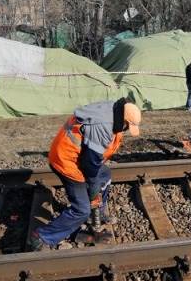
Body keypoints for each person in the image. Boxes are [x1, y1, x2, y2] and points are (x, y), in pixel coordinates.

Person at [29, 98, 141, 250]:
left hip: (78, 157)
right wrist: (93, 187)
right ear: (124, 120)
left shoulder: (116, 110)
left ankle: (97, 214)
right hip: (67, 161)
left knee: (105, 175)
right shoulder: (102, 126)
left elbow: (93, 161)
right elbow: (90, 165)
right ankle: (42, 236)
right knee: (81, 209)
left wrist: (95, 186)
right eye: (128, 126)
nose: (126, 130)